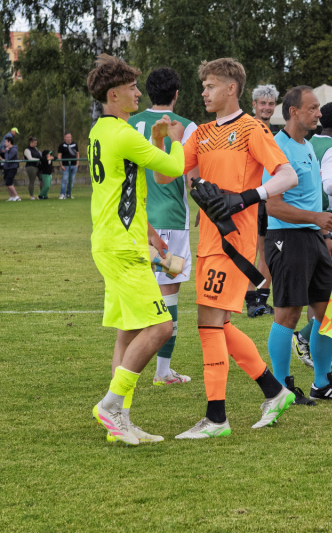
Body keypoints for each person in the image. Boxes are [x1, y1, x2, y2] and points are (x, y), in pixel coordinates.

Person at [176, 58, 299, 439]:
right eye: (203, 86)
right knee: (219, 325)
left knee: (208, 324)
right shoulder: (201, 133)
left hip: (233, 243)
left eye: (210, 85)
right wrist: (165, 140)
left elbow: (287, 175)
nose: (204, 92)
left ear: (231, 88)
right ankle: (274, 391)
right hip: (208, 241)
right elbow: (166, 173)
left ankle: (216, 418)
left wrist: (246, 197)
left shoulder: (251, 128)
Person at [86, 54, 186, 445]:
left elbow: (127, 189)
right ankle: (111, 406)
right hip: (122, 248)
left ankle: (120, 421)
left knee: (128, 334)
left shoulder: (101, 130)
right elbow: (172, 170)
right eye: (131, 88)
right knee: (161, 327)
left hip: (114, 241)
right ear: (114, 94)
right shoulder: (123, 134)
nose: (138, 93)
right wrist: (175, 140)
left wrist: (151, 235)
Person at [266, 85, 332, 405]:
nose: (319, 114)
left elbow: (309, 198)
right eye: (313, 108)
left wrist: (324, 237)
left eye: (319, 108)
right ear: (293, 112)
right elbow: (273, 206)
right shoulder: (276, 148)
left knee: (327, 312)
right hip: (287, 238)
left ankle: (322, 383)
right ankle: (281, 388)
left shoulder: (307, 145)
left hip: (313, 238)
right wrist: (316, 219)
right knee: (288, 315)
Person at [128, 67, 198, 386]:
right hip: (170, 223)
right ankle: (162, 372)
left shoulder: (129, 124)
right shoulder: (185, 126)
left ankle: (126, 366)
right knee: (168, 295)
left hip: (136, 222)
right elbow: (193, 177)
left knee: (138, 295)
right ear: (176, 94)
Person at [291, 102, 332, 371]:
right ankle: (305, 338)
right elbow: (330, 184)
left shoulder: (310, 142)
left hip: (313, 221)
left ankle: (317, 350)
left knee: (324, 290)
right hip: (326, 224)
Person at [245, 83, 280, 318]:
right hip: (250, 198)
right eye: (262, 103)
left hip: (269, 198)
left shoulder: (275, 133)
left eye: (270, 103)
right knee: (254, 251)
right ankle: (252, 299)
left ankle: (259, 299)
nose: (266, 107)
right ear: (254, 104)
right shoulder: (248, 128)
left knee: (267, 252)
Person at [58, 133, 79, 199]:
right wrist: (61, 165)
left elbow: (77, 154)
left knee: (71, 180)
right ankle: (62, 194)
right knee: (64, 180)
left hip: (74, 165)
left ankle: (69, 194)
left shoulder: (75, 144)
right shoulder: (61, 145)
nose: (69, 138)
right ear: (64, 138)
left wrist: (77, 163)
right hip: (65, 166)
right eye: (67, 137)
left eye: (70, 137)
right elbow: (59, 155)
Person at [4, 136, 20, 201]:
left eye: (6, 142)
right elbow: (6, 159)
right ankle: (11, 197)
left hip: (12, 168)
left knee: (9, 183)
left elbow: (8, 159)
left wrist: (6, 151)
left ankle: (17, 196)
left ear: (9, 142)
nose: (4, 143)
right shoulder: (8, 149)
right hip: (7, 168)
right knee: (9, 183)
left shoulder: (13, 150)